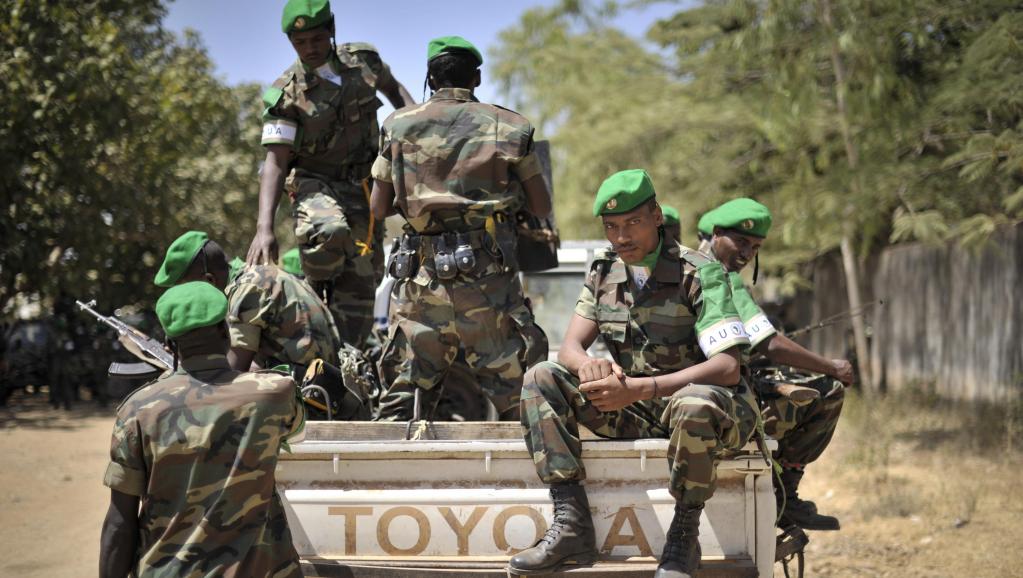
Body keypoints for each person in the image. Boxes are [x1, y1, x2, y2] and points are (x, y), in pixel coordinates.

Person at [508, 169, 757, 578]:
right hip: (637, 407)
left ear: (657, 216)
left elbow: (728, 367)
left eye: (632, 223)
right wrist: (588, 365)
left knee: (694, 402)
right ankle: (571, 524)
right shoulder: (604, 271)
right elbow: (570, 346)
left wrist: (643, 388)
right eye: (611, 227)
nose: (621, 236)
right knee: (542, 376)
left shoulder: (702, 272)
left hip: (702, 411)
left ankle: (683, 538)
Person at [369, 36, 551, 421]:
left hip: (420, 287)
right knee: (522, 404)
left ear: (430, 78)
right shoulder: (512, 126)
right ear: (477, 78)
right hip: (488, 286)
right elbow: (541, 206)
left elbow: (379, 207)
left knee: (402, 402)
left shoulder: (397, 126)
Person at [98, 282, 304, 578]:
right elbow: (294, 427)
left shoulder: (137, 410)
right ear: (226, 331)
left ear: (169, 342)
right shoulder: (275, 393)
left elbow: (120, 521)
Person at [245, 0, 415, 350]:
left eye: (317, 39)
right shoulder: (286, 94)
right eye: (300, 42)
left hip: (364, 187)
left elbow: (396, 90)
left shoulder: (364, 62)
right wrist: (264, 228)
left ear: (332, 30)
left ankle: (346, 362)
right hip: (314, 182)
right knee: (328, 230)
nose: (309, 49)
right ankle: (313, 290)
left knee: (363, 286)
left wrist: (417, 125)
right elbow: (275, 162)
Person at [697, 197, 852, 531]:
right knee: (828, 393)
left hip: (698, 396)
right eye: (740, 242)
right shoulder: (718, 276)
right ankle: (786, 495)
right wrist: (831, 367)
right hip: (727, 404)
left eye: (754, 247)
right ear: (716, 233)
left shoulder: (685, 266)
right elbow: (770, 344)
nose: (747, 253)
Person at [156, 231, 342, 374]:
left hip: (307, 403)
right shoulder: (259, 275)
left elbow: (231, 371)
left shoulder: (247, 289)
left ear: (210, 281)